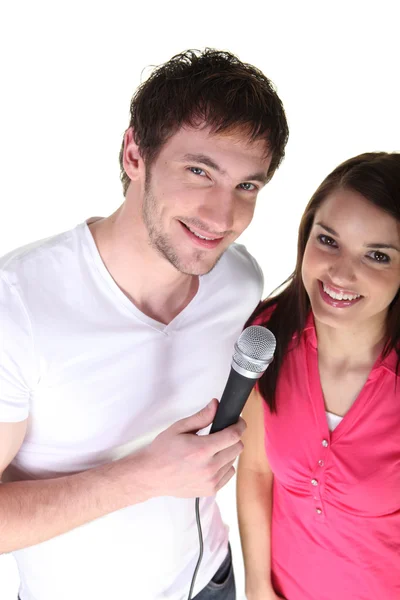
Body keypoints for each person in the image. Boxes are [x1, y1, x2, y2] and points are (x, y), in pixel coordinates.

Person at [0, 49, 288, 600]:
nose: (221, 216)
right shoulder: (18, 307)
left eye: (246, 186)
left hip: (211, 582)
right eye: (199, 170)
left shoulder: (239, 282)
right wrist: (142, 477)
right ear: (135, 153)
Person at [237, 151, 400, 600]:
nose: (342, 274)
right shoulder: (269, 332)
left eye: (378, 256)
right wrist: (257, 586)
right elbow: (255, 470)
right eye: (328, 241)